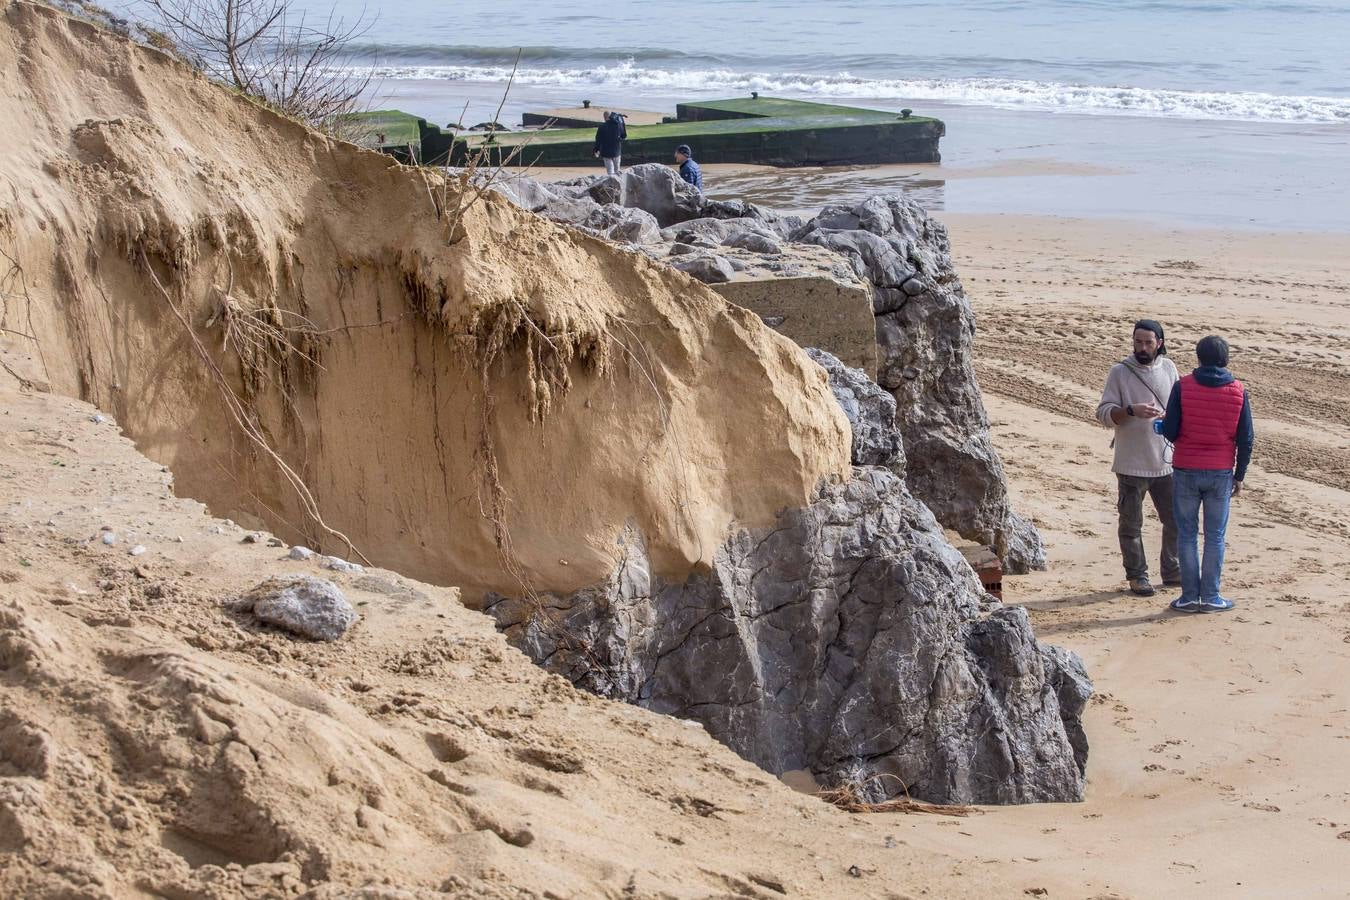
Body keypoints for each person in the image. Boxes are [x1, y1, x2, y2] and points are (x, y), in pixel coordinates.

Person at [1160, 335, 1255, 613]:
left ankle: (1190, 596)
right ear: (1225, 359)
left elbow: (1171, 430)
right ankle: (1211, 596)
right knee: (1214, 535)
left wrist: (1163, 425)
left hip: (1186, 468)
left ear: (1199, 357)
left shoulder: (1183, 386)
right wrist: (1240, 475)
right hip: (1220, 472)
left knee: (1187, 534)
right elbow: (1246, 438)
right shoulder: (1238, 390)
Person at [1095, 319, 1181, 596]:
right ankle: (1137, 576)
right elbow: (1104, 414)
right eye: (1137, 342)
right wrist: (1130, 410)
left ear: (1160, 343)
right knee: (1131, 524)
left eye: (1147, 342)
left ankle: (1172, 571)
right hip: (1131, 464)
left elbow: (1180, 408)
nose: (1142, 347)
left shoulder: (1168, 368)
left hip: (1166, 462)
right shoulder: (1119, 372)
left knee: (1176, 520)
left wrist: (1171, 417)